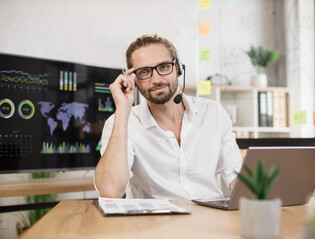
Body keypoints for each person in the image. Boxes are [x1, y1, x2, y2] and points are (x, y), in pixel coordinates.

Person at [95, 34, 242, 199]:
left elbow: (234, 173)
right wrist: (122, 110)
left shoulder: (213, 112)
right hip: (157, 220)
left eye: (164, 67)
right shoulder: (122, 123)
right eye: (144, 72)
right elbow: (110, 191)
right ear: (133, 79)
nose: (156, 79)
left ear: (178, 69)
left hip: (211, 216)